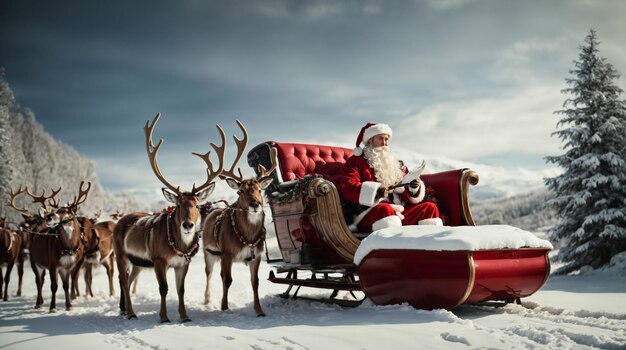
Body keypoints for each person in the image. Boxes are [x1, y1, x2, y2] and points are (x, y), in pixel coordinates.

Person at [340, 122, 442, 232]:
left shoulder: (395, 163)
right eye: (381, 139)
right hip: (371, 212)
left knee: (429, 208)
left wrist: (413, 188)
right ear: (370, 140)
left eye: (387, 139)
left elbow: (405, 189)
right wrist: (376, 191)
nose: (385, 143)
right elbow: (348, 187)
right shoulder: (355, 162)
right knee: (385, 209)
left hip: (399, 211)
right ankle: (391, 247)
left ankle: (429, 245)